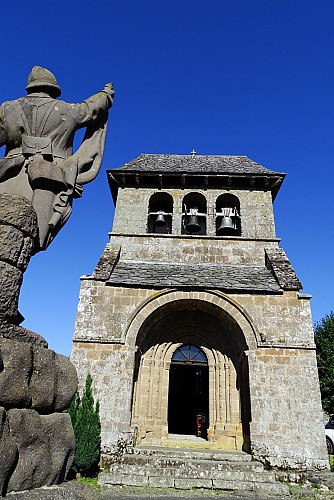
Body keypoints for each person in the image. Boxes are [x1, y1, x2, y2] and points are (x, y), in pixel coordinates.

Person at [0, 66, 115, 251]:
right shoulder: (66, 110)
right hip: (47, 180)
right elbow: (92, 108)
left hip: (9, 178)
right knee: (33, 238)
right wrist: (106, 94)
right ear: (53, 89)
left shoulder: (7, 109)